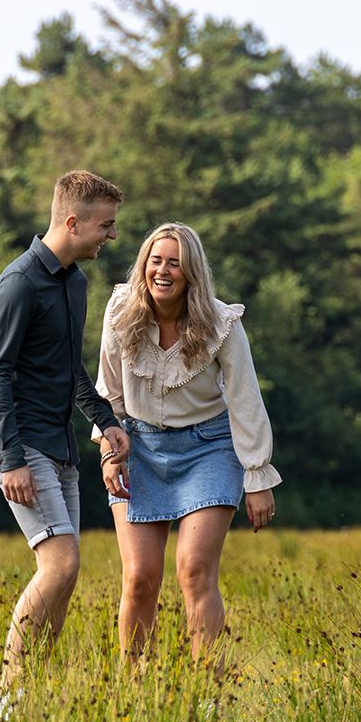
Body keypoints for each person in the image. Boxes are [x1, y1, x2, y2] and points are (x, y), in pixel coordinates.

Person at [92, 222, 281, 665]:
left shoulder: (221, 324)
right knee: (140, 576)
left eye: (173, 263)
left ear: (191, 272)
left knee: (194, 570)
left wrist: (257, 477)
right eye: (155, 261)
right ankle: (135, 696)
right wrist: (108, 451)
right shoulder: (120, 309)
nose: (162, 271)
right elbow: (109, 391)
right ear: (143, 267)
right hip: (137, 447)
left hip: (208, 449)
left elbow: (245, 400)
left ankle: (204, 695)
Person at [0, 170, 131, 699]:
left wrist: (107, 420)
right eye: (105, 226)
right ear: (73, 222)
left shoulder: (75, 283)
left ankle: (34, 695)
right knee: (60, 563)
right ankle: (8, 696)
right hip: (21, 447)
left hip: (61, 446)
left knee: (66, 578)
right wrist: (11, 457)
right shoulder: (18, 283)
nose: (111, 237)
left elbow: (71, 371)